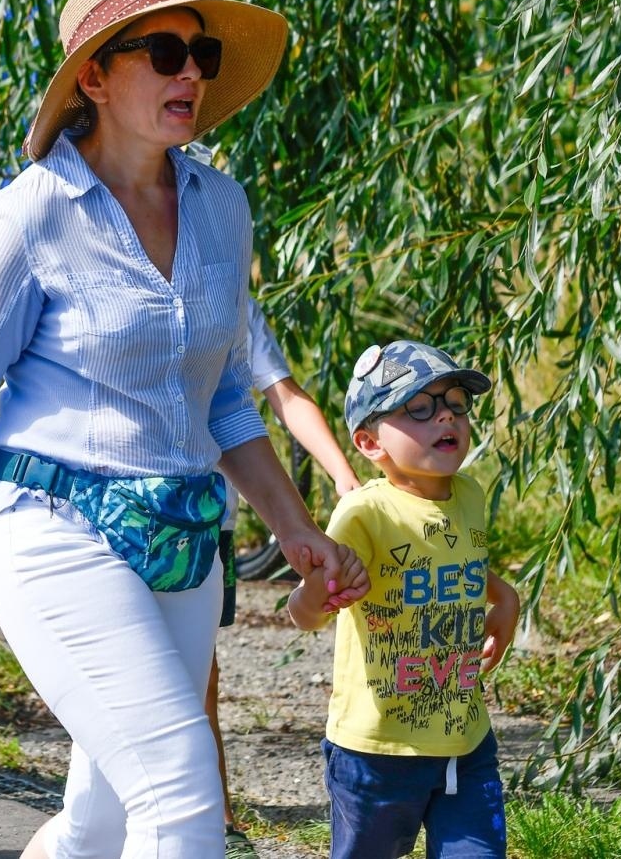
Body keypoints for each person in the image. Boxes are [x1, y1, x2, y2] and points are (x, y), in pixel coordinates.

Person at [0, 0, 370, 857]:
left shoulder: (221, 206)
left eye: (202, 54)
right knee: (184, 795)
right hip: (56, 526)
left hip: (185, 537)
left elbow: (224, 395)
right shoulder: (31, 214)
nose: (191, 72)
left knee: (103, 818)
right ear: (96, 78)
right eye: (165, 51)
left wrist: (294, 528)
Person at [287, 340, 521, 859]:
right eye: (419, 407)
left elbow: (457, 560)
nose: (446, 416)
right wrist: (313, 589)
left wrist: (502, 595)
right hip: (378, 751)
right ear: (370, 443)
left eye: (455, 402)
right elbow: (304, 616)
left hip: (465, 739)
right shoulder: (364, 515)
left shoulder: (470, 495)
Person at [212, 298, 361, 857]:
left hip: (206, 516)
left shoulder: (227, 294)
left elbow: (284, 396)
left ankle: (218, 820)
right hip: (117, 507)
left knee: (201, 671)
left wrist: (343, 476)